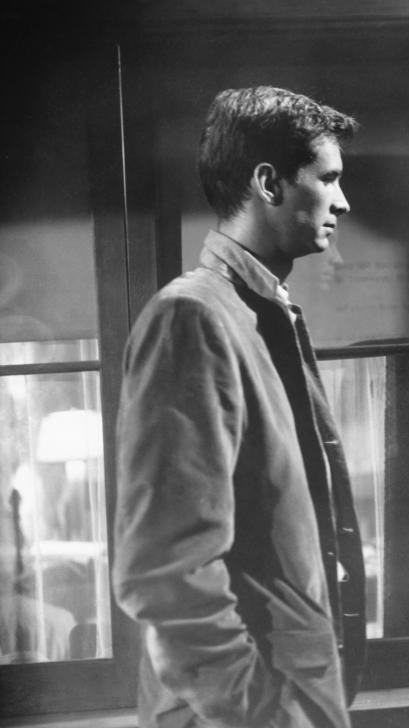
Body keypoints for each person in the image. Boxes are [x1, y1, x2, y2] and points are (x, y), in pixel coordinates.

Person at [113, 86, 366, 728]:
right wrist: (257, 708)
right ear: (268, 183)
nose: (342, 200)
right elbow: (165, 568)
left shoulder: (257, 312)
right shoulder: (192, 317)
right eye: (328, 178)